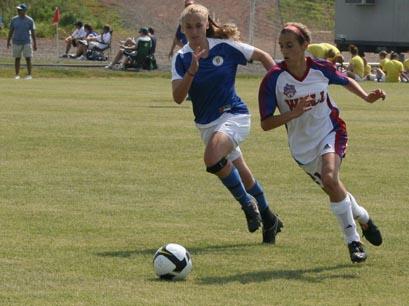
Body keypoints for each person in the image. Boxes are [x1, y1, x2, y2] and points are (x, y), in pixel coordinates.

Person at [258, 22, 385, 262]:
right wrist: (292, 114)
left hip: (331, 131)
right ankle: (363, 217)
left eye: (290, 45)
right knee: (334, 187)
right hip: (302, 148)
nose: (285, 50)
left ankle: (353, 241)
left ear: (305, 45)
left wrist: (367, 97)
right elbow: (265, 123)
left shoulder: (320, 68)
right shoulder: (273, 79)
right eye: (282, 46)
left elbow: (345, 80)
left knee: (330, 178)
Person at [171, 4, 282, 243]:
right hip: (207, 125)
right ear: (182, 29)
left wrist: (278, 88)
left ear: (207, 24)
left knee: (211, 158)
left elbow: (262, 56)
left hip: (235, 115)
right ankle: (268, 217)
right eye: (188, 27)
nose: (194, 30)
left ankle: (247, 206)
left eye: (198, 25)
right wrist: (191, 71)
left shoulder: (226, 48)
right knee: (243, 174)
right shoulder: (181, 59)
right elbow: (178, 98)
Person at [6, 3, 37, 80]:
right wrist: (8, 41)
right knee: (17, 58)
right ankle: (17, 75)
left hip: (27, 41)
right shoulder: (14, 19)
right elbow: (11, 31)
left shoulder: (30, 20)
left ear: (24, 10)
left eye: (20, 9)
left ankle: (29, 75)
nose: (18, 10)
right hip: (16, 41)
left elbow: (33, 33)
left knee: (28, 58)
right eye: (18, 9)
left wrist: (35, 43)